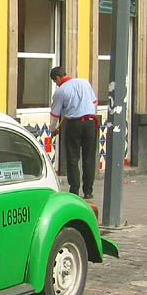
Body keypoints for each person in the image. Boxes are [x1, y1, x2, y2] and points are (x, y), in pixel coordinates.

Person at [49, 66, 99, 199]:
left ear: (58, 78)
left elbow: (55, 114)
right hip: (90, 122)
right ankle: (88, 191)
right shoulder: (84, 82)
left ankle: (74, 190)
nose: (56, 84)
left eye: (55, 81)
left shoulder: (60, 91)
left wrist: (52, 129)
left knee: (72, 157)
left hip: (73, 124)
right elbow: (94, 102)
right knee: (89, 158)